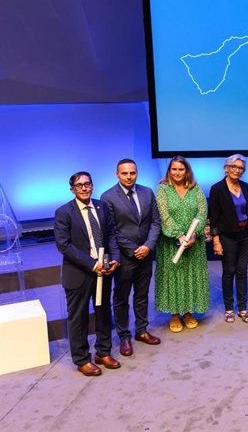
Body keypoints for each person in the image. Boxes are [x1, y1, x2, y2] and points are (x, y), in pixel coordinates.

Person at [54, 171, 121, 376]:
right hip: (79, 273)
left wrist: (115, 257)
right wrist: (92, 265)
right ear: (72, 189)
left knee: (103, 313)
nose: (84, 188)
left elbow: (111, 235)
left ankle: (103, 352)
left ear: (92, 186)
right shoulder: (64, 212)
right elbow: (64, 245)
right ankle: (82, 359)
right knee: (79, 317)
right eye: (79, 185)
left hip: (104, 271)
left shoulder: (101, 207)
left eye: (87, 184)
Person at [101, 159, 161, 356]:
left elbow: (155, 222)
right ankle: (124, 336)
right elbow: (112, 231)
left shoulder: (147, 192)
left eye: (132, 173)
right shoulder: (107, 197)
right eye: (124, 173)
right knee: (121, 298)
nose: (129, 177)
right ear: (117, 174)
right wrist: (134, 249)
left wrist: (148, 246)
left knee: (142, 295)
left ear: (137, 173)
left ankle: (142, 331)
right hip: (125, 257)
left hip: (146, 254)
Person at [155, 156, 210, 332]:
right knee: (173, 276)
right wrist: (179, 236)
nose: (177, 173)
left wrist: (193, 234)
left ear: (187, 171)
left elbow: (203, 211)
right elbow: (163, 215)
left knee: (190, 275)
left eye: (181, 169)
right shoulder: (163, 189)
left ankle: (187, 312)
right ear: (169, 171)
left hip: (195, 242)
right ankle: (174, 313)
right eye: (174, 169)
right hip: (171, 242)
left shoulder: (196, 188)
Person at [209, 154, 248, 323]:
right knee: (229, 272)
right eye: (234, 167)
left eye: (240, 168)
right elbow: (213, 216)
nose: (237, 170)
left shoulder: (246, 186)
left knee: (242, 272)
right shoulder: (217, 188)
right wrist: (216, 240)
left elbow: (247, 212)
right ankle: (229, 308)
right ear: (226, 168)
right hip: (227, 236)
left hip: (245, 235)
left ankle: (242, 308)